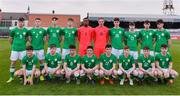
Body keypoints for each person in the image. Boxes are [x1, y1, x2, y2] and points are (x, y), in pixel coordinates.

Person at [7, 17, 29, 83]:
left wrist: (23, 44)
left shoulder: (26, 30)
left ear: (23, 23)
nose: (20, 23)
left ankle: (21, 76)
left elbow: (27, 39)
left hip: (23, 49)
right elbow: (10, 39)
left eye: (22, 22)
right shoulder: (13, 30)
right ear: (18, 22)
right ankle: (11, 77)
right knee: (13, 62)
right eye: (19, 22)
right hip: (15, 49)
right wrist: (14, 45)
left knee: (23, 63)